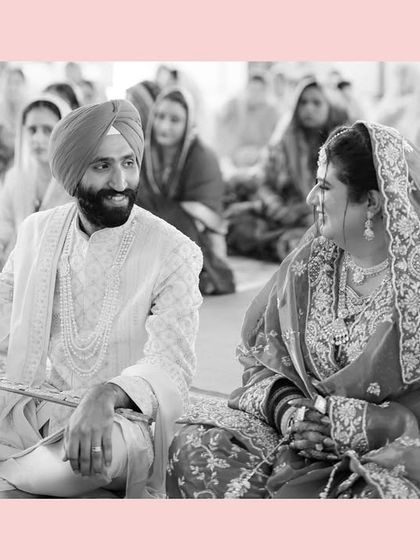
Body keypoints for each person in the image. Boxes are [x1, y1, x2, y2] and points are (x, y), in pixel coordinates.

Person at [166, 121, 420, 499]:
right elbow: (260, 363)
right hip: (296, 446)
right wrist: (289, 411)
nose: (310, 198)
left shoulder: (411, 288)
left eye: (326, 186)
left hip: (384, 456)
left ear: (372, 201)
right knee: (194, 447)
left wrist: (355, 425)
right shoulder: (311, 263)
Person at [0, 99, 203, 498]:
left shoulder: (172, 250)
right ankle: (30, 464)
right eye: (102, 166)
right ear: (72, 176)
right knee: (66, 457)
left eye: (129, 162)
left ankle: (16, 466)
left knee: (100, 456)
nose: (121, 181)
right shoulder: (37, 232)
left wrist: (106, 394)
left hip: (121, 419)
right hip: (38, 405)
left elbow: (173, 364)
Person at [226, 79, 348, 262]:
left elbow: (342, 193)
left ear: (329, 106)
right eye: (303, 103)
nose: (309, 109)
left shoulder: (342, 142)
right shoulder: (285, 139)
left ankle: (293, 246)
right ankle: (290, 246)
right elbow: (263, 182)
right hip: (282, 215)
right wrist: (276, 207)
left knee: (325, 232)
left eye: (316, 103)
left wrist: (305, 212)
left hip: (319, 215)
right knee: (236, 223)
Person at [136, 86, 235, 295]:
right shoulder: (144, 152)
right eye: (160, 116)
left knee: (172, 220)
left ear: (188, 122)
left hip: (194, 233)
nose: (164, 126)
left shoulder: (203, 157)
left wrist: (162, 212)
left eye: (175, 120)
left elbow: (207, 213)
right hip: (153, 228)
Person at [0, 95, 72, 269]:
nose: (38, 138)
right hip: (14, 272)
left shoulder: (75, 182)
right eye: (32, 130)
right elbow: (4, 225)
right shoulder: (15, 177)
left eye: (48, 130)